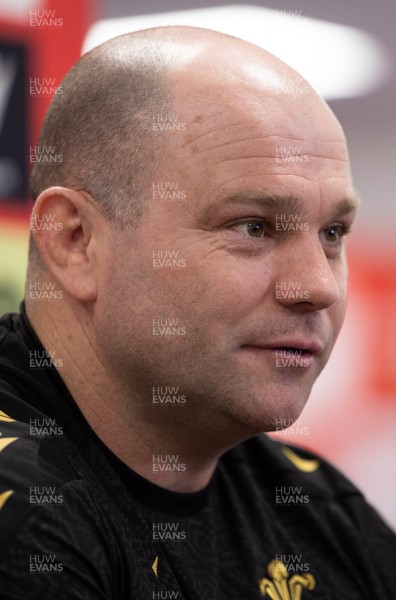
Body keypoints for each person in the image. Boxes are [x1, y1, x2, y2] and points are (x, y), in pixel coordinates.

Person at [0, 26, 394, 599]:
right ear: (75, 242)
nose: (317, 288)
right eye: (252, 227)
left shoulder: (324, 514)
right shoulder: (27, 513)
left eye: (332, 233)